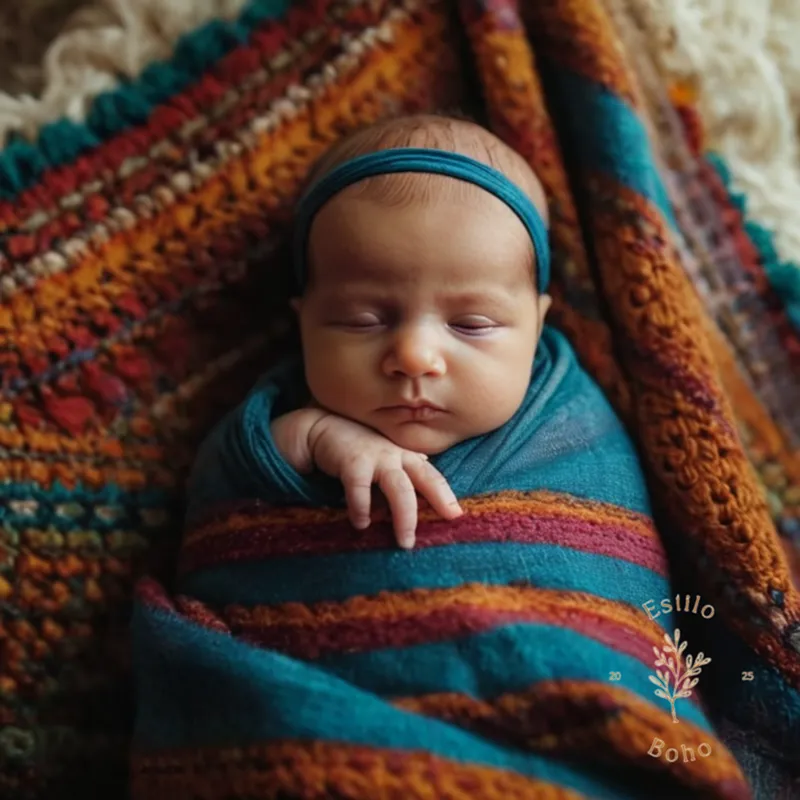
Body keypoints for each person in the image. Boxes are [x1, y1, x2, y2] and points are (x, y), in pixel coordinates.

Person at [185, 113, 652, 548]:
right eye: (362, 320)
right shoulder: (288, 423)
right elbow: (213, 490)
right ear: (303, 321)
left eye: (471, 324)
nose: (414, 355)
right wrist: (307, 437)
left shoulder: (572, 427)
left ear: (536, 325)